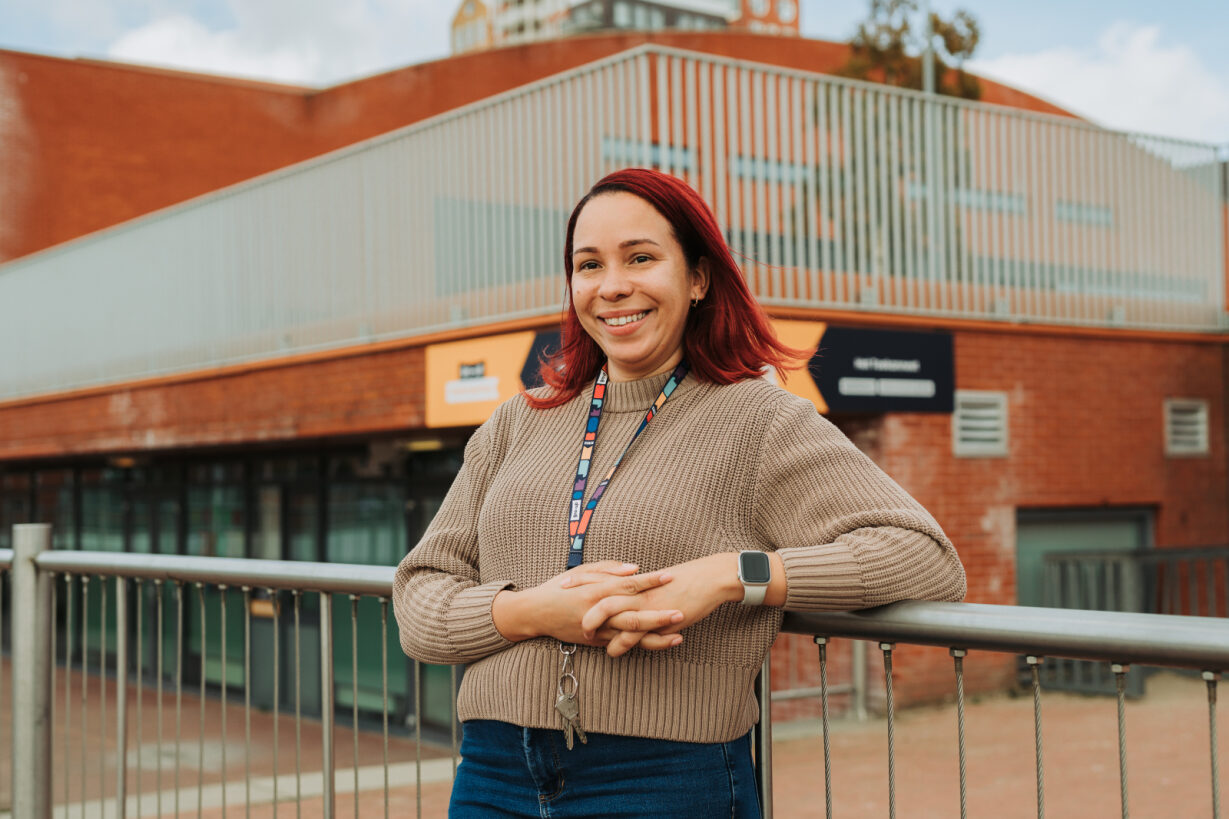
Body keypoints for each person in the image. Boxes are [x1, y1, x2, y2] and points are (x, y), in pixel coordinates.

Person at [393, 168, 966, 818]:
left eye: (640, 257)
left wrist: (732, 576)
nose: (612, 285)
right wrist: (528, 611)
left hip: (663, 777)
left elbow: (924, 556)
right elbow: (419, 598)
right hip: (494, 772)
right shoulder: (518, 419)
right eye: (588, 265)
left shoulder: (757, 418)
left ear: (697, 278)